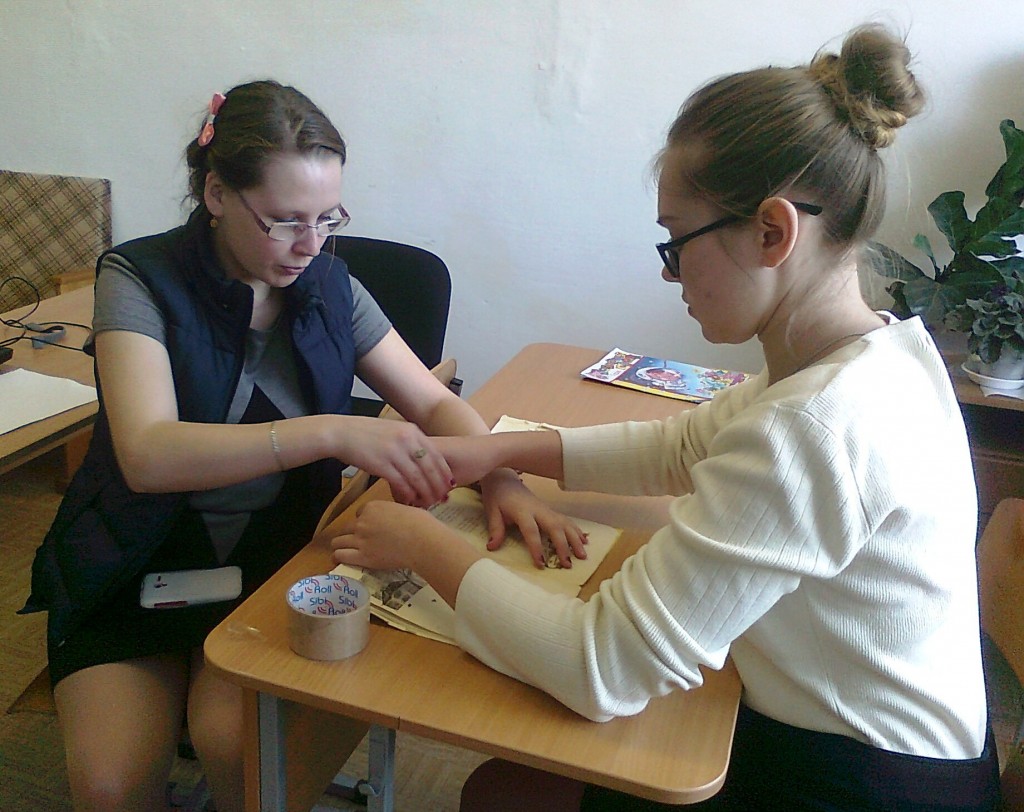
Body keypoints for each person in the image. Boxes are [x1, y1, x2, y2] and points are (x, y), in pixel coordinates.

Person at [330, 25, 1002, 811]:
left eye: (676, 242)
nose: (669, 273)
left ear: (773, 232)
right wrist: (498, 453)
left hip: (863, 784)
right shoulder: (870, 357)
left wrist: (422, 545)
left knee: (502, 795)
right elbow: (683, 446)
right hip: (888, 741)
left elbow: (600, 667)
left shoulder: (814, 428)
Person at [20, 80, 585, 812]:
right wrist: (332, 430)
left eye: (327, 219)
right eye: (284, 220)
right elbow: (148, 454)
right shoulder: (137, 278)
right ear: (217, 194)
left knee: (240, 751)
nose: (310, 244)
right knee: (109, 788)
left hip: (278, 556)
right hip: (137, 555)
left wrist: (501, 477)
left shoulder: (329, 284)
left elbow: (435, 402)